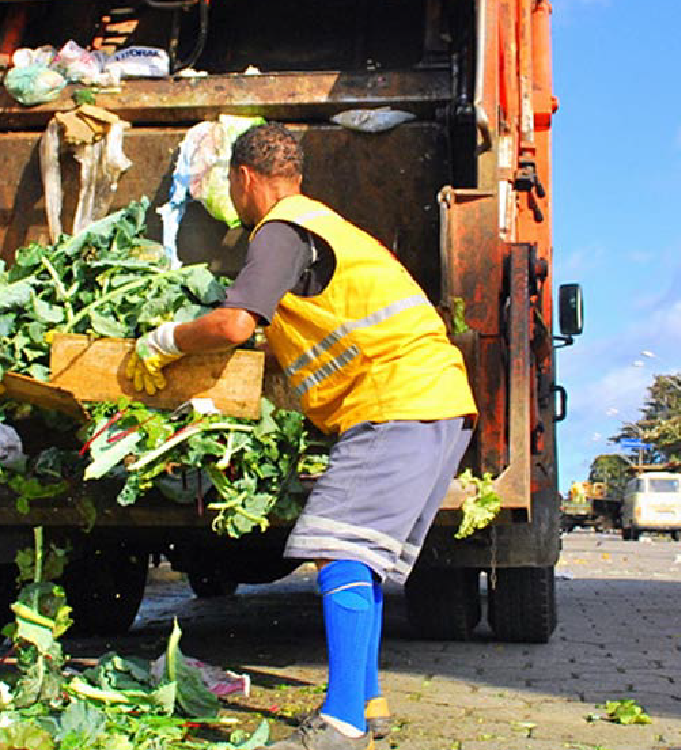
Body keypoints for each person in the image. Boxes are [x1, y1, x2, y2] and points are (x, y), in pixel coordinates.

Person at [129, 123, 477, 750]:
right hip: (431, 401)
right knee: (359, 554)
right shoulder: (320, 223)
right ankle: (367, 703)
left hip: (394, 399)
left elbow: (235, 323)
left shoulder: (280, 231)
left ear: (242, 179)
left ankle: (340, 720)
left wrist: (165, 340)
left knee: (336, 546)